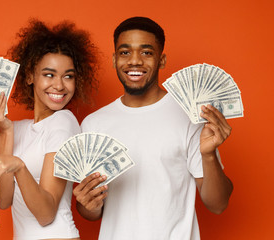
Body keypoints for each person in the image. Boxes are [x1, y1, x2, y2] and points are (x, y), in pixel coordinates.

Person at [73, 17, 233, 240]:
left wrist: (208, 155)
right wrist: (87, 203)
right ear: (114, 59)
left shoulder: (190, 116)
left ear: (162, 60)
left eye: (146, 52)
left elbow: (218, 204)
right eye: (125, 52)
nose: (135, 61)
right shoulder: (93, 124)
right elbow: (91, 213)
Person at [0, 19, 99, 240]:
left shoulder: (63, 122)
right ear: (30, 76)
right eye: (49, 74)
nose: (59, 85)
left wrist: (19, 166)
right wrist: (5, 131)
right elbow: (4, 200)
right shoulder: (18, 129)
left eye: (68, 76)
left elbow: (46, 214)